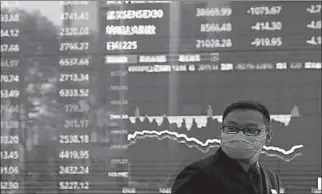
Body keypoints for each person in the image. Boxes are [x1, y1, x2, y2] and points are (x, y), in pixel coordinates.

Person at [171, 100, 282, 194]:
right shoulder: (198, 176)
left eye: (250, 130)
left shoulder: (271, 178)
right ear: (222, 131)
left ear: (268, 136)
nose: (239, 135)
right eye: (231, 128)